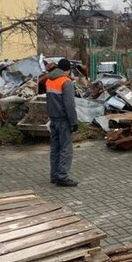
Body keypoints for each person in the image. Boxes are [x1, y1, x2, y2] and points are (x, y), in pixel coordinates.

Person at [46, 58, 79, 187]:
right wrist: (74, 122)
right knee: (66, 149)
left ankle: (54, 175)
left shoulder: (49, 80)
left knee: (55, 148)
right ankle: (62, 177)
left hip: (53, 119)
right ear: (68, 70)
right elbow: (69, 105)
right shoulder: (66, 82)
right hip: (64, 120)